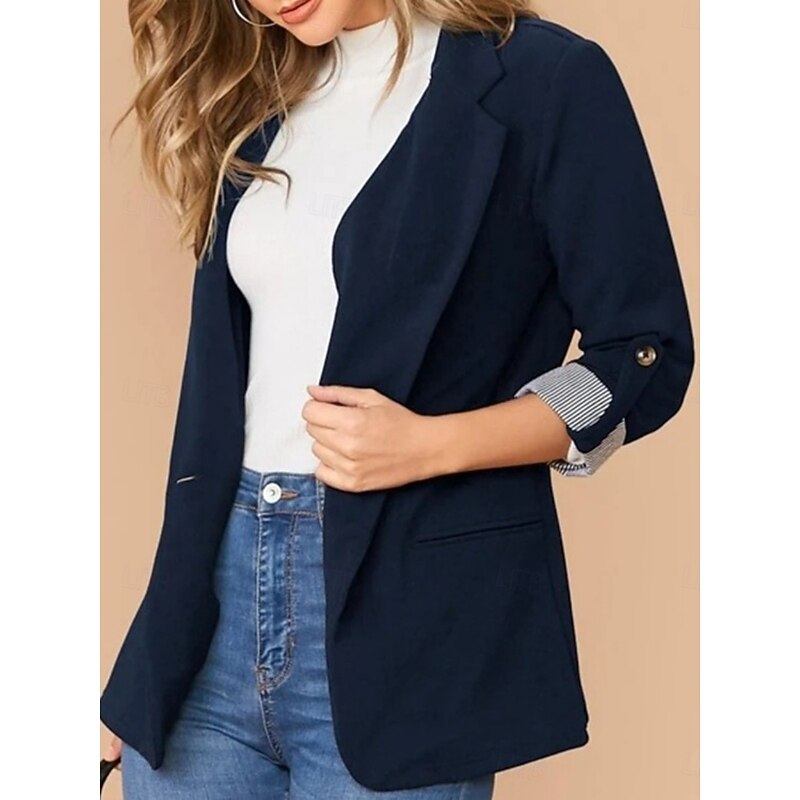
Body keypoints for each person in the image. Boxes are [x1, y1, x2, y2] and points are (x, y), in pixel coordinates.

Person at [101, 0, 695, 797]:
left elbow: (646, 358)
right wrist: (150, 654)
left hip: (408, 633)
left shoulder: (545, 80)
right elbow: (223, 407)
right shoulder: (255, 99)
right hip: (211, 621)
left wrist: (434, 445)